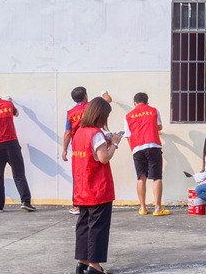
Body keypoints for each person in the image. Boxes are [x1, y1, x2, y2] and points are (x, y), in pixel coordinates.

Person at [72, 97, 124, 274]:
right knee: (98, 228)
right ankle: (95, 266)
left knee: (84, 226)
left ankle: (82, 262)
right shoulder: (96, 134)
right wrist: (115, 143)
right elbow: (103, 157)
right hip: (98, 189)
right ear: (100, 115)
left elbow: (89, 153)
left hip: (82, 188)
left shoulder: (79, 132)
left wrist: (107, 138)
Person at [0, 81, 35, 213]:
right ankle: (26, 201)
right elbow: (16, 114)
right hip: (12, 143)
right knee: (19, 173)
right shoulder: (8, 104)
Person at [62, 87, 113, 215]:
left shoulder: (70, 113)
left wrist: (64, 150)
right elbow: (107, 101)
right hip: (92, 142)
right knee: (94, 172)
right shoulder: (92, 107)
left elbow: (68, 133)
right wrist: (104, 93)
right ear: (86, 96)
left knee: (79, 176)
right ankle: (93, 201)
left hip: (78, 144)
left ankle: (78, 204)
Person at [124, 92, 168, 216]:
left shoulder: (128, 116)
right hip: (153, 145)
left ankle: (143, 208)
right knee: (157, 177)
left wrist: (133, 149)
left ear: (134, 103)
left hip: (137, 148)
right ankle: (158, 208)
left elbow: (128, 136)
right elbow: (159, 127)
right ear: (147, 102)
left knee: (141, 177)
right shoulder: (154, 110)